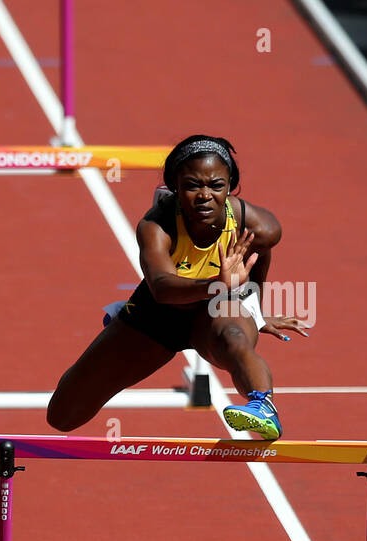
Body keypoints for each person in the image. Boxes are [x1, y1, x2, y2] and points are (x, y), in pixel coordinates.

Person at [46, 135, 310, 439]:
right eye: (192, 185)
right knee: (63, 415)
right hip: (158, 314)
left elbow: (261, 254)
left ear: (230, 185)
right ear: (175, 184)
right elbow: (161, 287)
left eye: (216, 185)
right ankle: (122, 321)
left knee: (234, 337)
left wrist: (255, 313)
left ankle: (263, 406)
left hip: (215, 311)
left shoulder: (258, 226)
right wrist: (215, 283)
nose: (204, 195)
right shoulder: (156, 226)